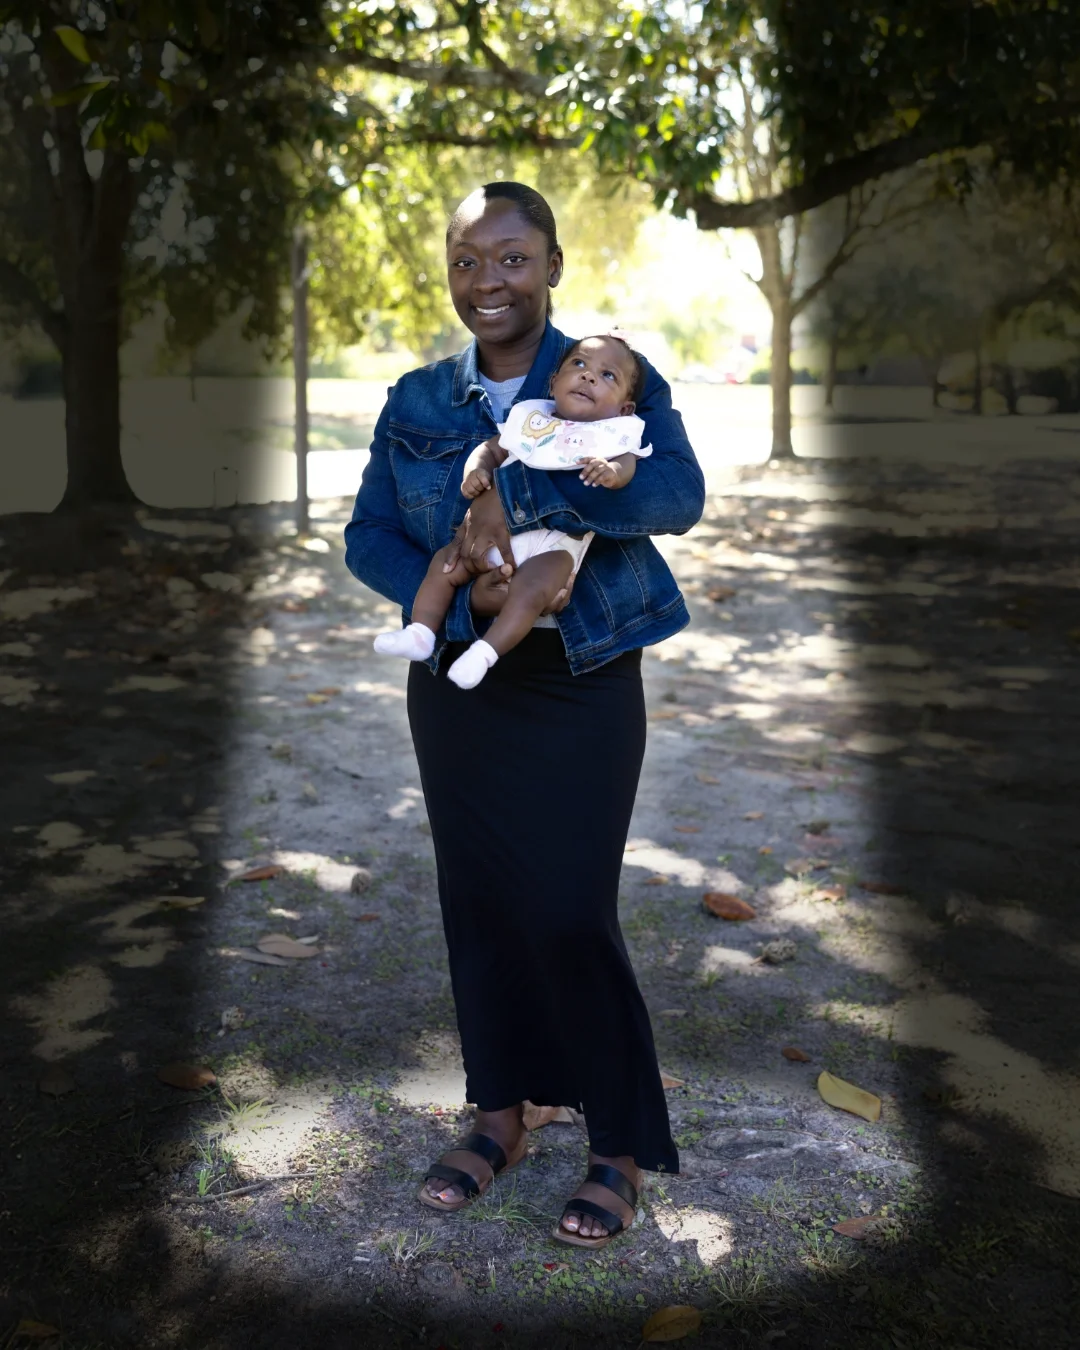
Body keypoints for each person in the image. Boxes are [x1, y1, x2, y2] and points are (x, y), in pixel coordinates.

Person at [344, 181, 705, 1248]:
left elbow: (673, 497)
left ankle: (619, 1144)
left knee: (566, 906)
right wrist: (460, 572)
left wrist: (541, 499)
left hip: (581, 674)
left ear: (550, 265)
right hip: (460, 677)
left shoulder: (613, 380)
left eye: (510, 259)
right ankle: (500, 1113)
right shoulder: (417, 400)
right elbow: (367, 535)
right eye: (467, 261)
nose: (487, 282)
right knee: (481, 901)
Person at [371, 333, 653, 689]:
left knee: (532, 591)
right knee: (446, 563)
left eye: (607, 375)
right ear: (553, 383)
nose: (588, 376)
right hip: (487, 543)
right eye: (578, 364)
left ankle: (484, 653)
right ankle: (421, 631)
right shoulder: (532, 420)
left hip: (553, 549)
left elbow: (627, 464)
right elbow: (491, 450)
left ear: (625, 409)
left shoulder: (611, 437)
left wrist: (611, 473)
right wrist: (477, 471)